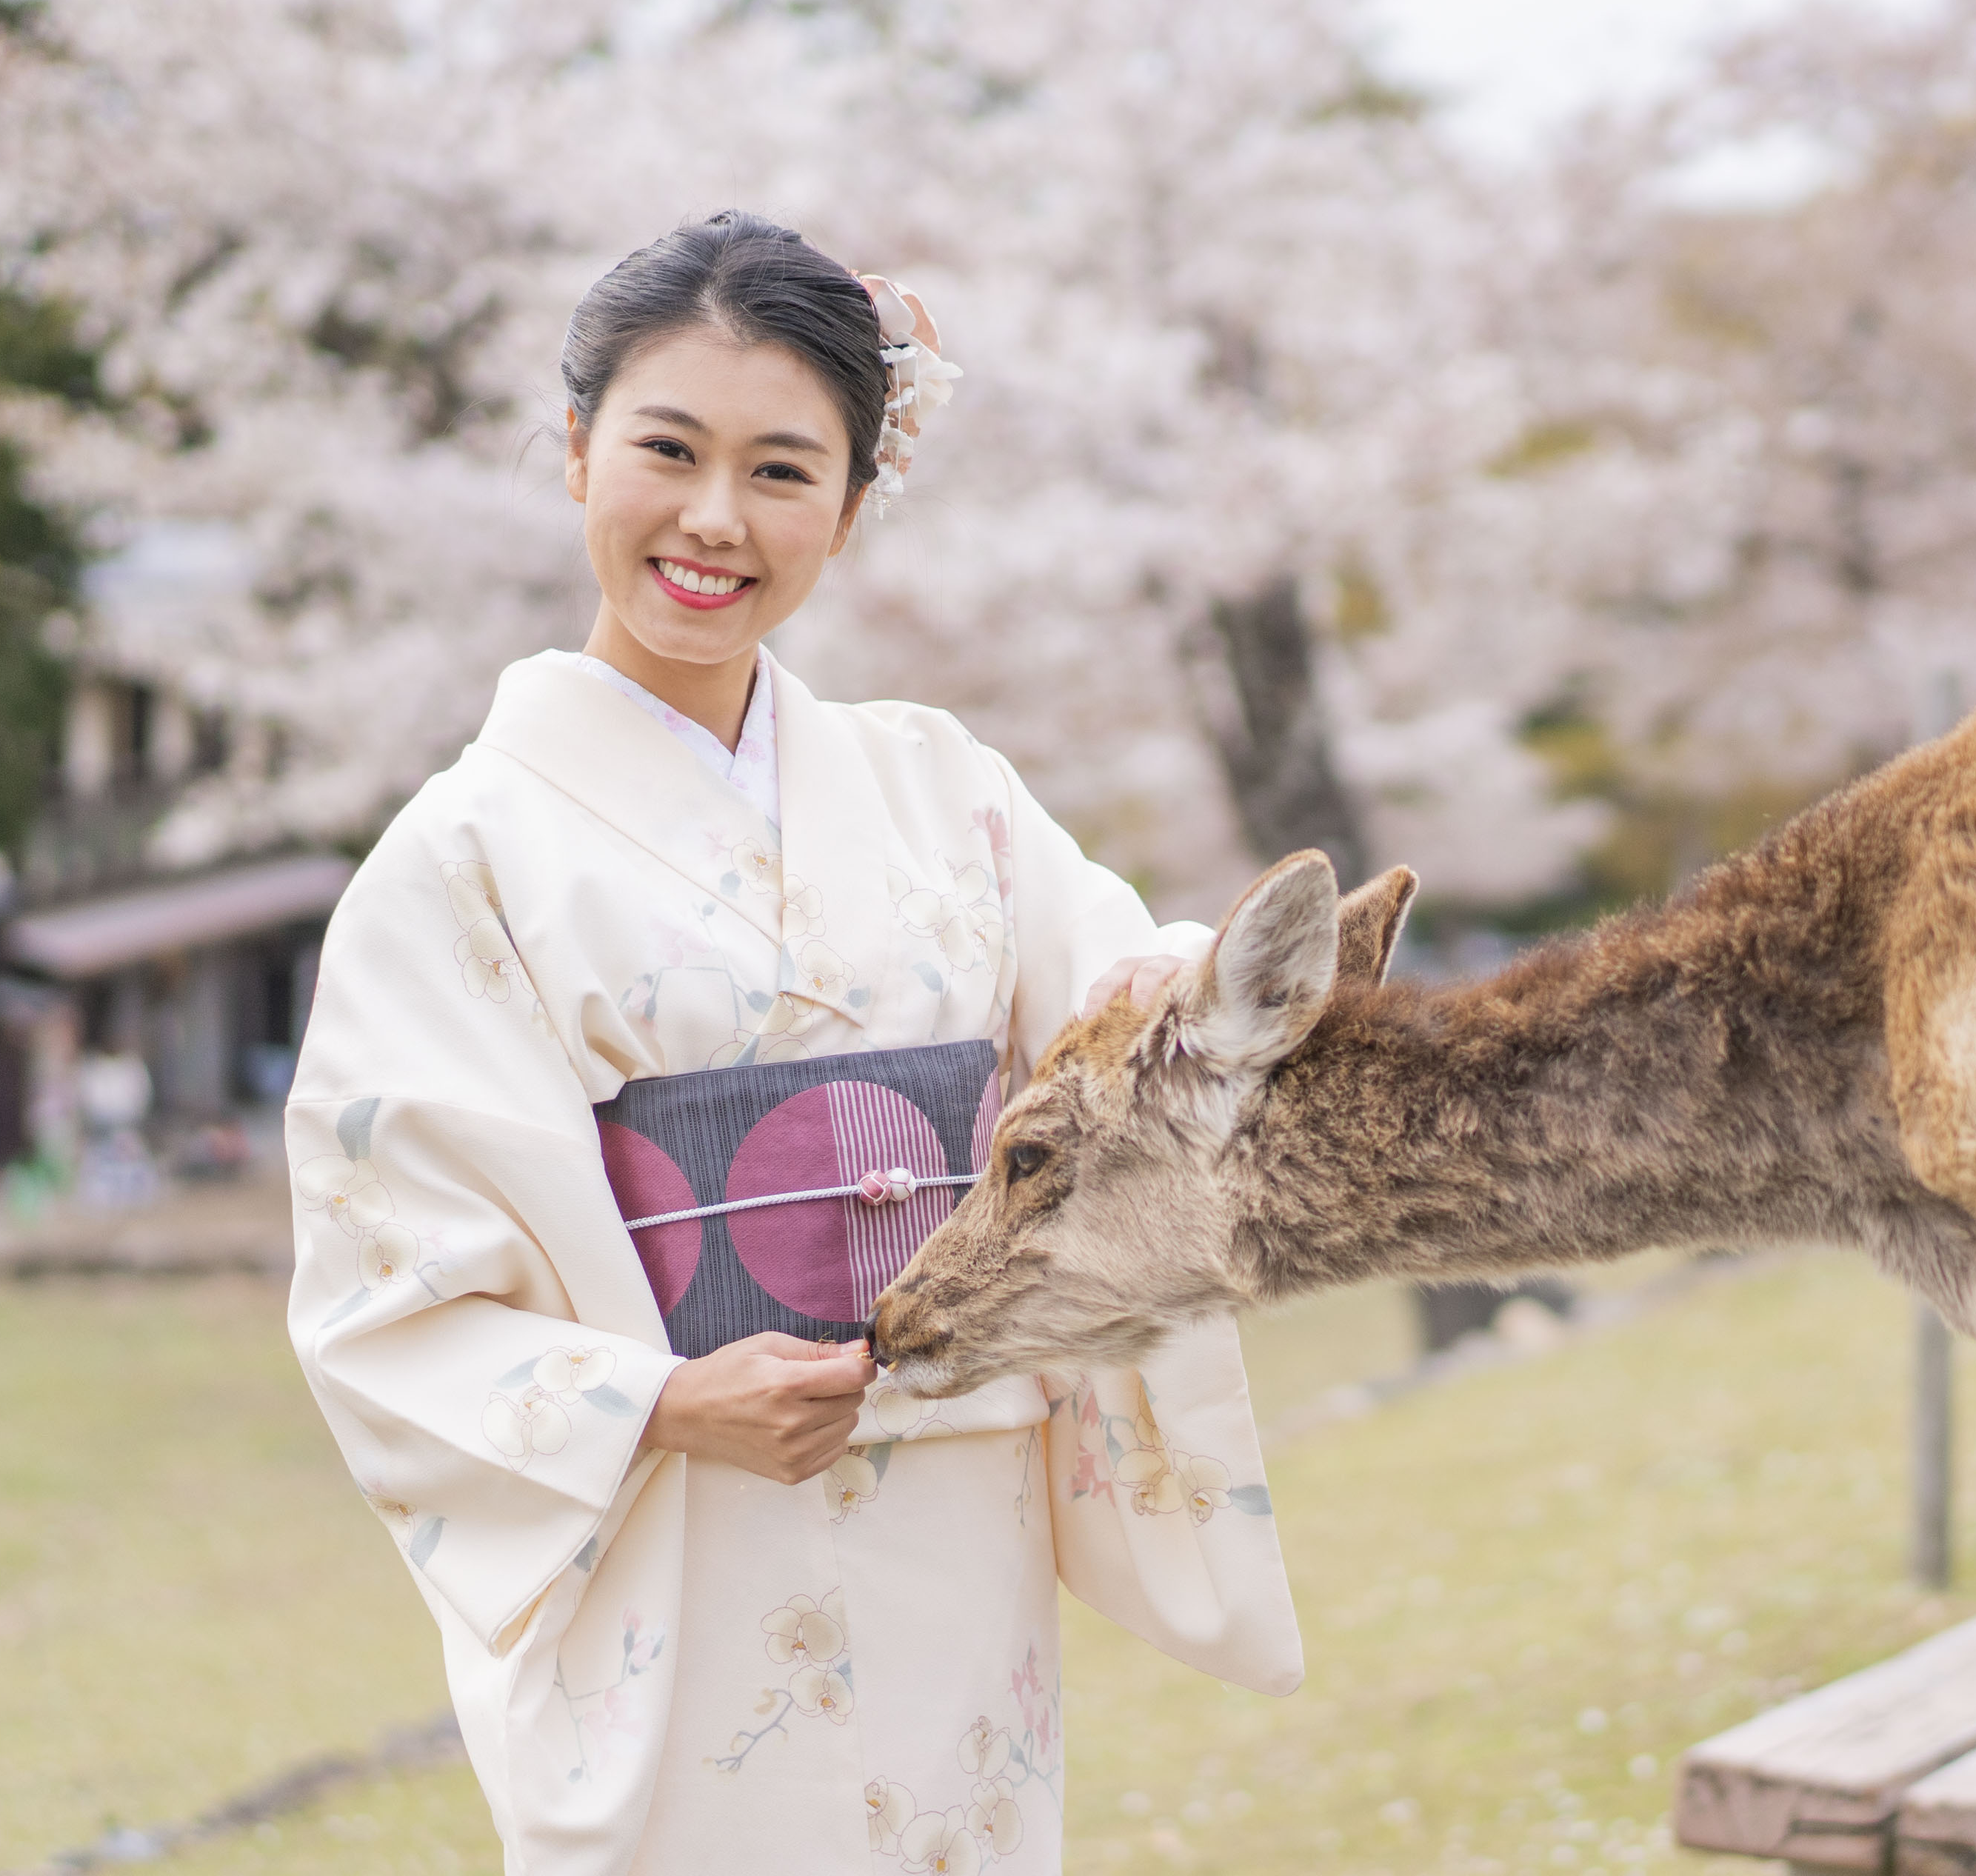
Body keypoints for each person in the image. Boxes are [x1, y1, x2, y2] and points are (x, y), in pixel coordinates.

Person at [285, 211, 1300, 1876]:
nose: (712, 519)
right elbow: (382, 1292)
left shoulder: (940, 787)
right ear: (574, 451)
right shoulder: (460, 855)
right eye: (666, 450)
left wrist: (1280, 986)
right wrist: (664, 1395)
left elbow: (1134, 1014)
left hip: (946, 1491)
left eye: (781, 470)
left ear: (848, 501)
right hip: (676, 1522)